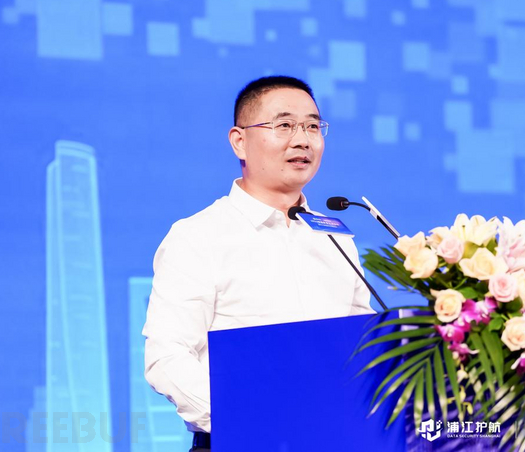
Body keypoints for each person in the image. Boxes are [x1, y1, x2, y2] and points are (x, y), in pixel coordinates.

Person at [142, 76, 374, 452]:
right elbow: (167, 357)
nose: (302, 140)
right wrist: (252, 419)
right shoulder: (198, 236)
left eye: (312, 126)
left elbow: (360, 348)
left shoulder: (335, 238)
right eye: (284, 125)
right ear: (239, 141)